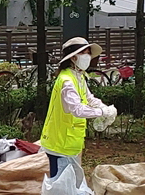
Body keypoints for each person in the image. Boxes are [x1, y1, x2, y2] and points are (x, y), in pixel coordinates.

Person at [40, 37, 117, 178]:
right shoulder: (67, 81)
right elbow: (77, 109)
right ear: (73, 58)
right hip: (59, 142)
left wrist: (104, 108)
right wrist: (101, 112)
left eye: (88, 53)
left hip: (71, 141)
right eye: (83, 53)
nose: (87, 57)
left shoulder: (79, 77)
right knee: (60, 187)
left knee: (71, 184)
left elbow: (88, 98)